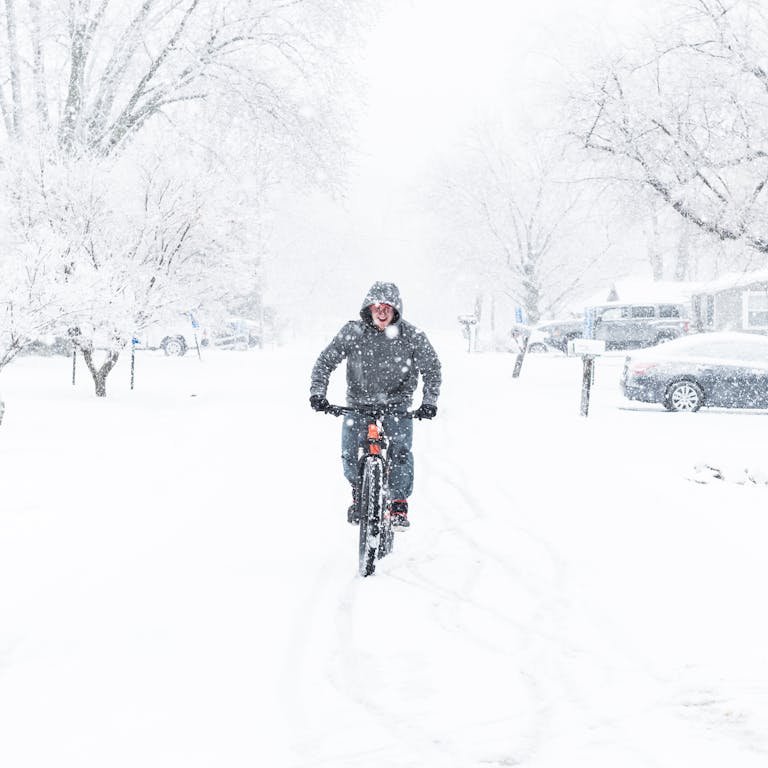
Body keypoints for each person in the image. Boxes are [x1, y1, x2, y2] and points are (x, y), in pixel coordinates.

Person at [309, 281, 442, 530]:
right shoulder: (353, 332)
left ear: (396, 310)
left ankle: (398, 503)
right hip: (358, 403)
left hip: (397, 403)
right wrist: (318, 393)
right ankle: (359, 492)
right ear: (368, 308)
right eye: (377, 307)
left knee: (400, 451)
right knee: (349, 452)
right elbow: (325, 361)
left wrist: (429, 402)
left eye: (387, 308)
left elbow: (432, 368)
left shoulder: (412, 336)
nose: (382, 312)